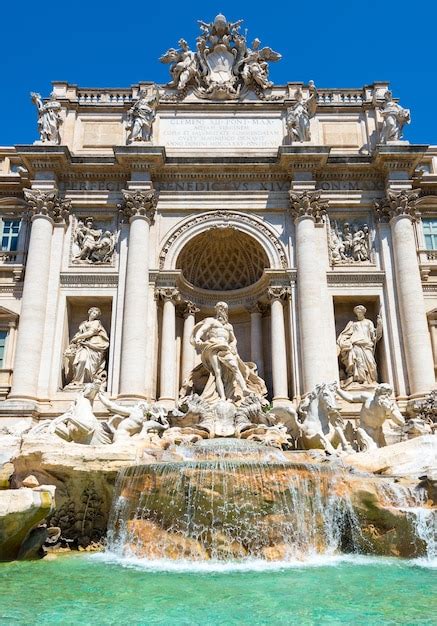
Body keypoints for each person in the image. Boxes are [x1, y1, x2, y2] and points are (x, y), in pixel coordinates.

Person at [190, 301, 266, 402]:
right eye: (220, 308)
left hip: (226, 348)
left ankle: (244, 389)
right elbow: (202, 330)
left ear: (226, 311)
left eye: (224, 308)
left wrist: (233, 345)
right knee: (217, 372)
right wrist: (198, 338)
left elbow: (233, 339)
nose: (221, 310)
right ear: (216, 309)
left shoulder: (229, 326)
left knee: (235, 367)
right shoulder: (211, 321)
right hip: (213, 346)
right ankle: (222, 397)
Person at [336, 383, 404, 449]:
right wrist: (337, 390)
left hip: (378, 434)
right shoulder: (367, 398)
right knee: (371, 450)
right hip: (363, 431)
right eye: (382, 393)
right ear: (376, 393)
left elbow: (401, 422)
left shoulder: (390, 406)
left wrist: (390, 411)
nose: (384, 396)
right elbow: (350, 398)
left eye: (387, 394)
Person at [64, 307, 109, 388]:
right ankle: (77, 381)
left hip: (94, 346)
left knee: (86, 362)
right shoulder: (83, 323)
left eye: (96, 314)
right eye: (93, 313)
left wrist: (78, 338)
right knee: (81, 360)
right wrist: (75, 341)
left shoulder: (96, 323)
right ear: (90, 312)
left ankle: (88, 380)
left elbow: (90, 332)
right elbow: (79, 333)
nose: (94, 315)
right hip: (82, 346)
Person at [337, 305, 382, 386]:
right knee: (358, 363)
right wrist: (344, 342)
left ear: (363, 312)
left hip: (366, 345)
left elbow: (375, 337)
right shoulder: (353, 324)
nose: (359, 313)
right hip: (356, 345)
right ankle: (361, 381)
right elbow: (345, 334)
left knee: (371, 363)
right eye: (357, 312)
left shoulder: (368, 322)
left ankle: (371, 380)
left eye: (360, 312)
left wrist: (380, 325)